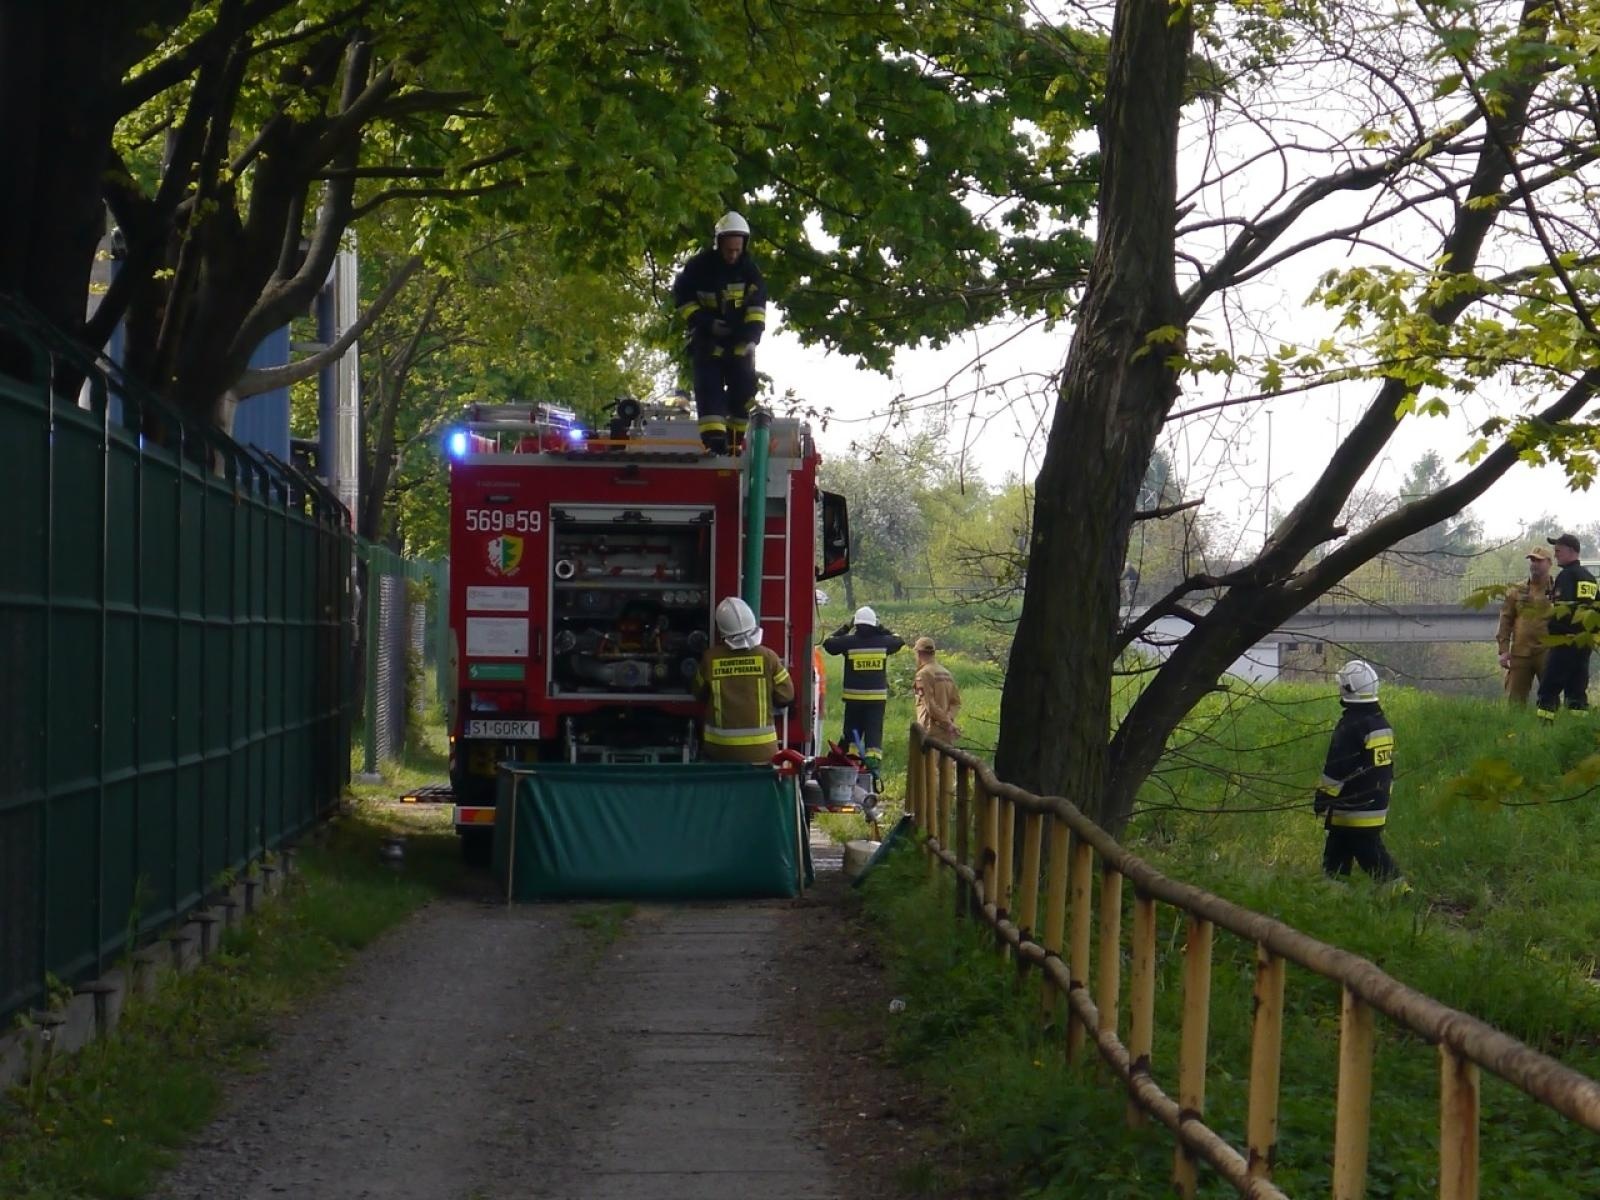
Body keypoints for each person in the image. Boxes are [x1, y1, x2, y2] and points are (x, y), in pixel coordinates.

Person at [671, 211, 768, 454]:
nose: (733, 255)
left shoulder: (750, 271)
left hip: (739, 340)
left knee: (744, 389)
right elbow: (683, 301)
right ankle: (714, 441)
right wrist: (705, 322)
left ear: (744, 246)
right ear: (718, 244)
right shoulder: (698, 268)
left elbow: (757, 308)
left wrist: (752, 339)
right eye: (728, 250)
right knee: (708, 388)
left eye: (737, 250)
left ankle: (735, 442)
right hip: (708, 339)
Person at [1314, 660, 1401, 882]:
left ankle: (1401, 894)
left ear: (1348, 688)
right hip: (1376, 804)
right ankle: (1333, 894)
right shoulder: (1381, 724)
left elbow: (1337, 768)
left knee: (1372, 857)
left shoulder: (1350, 727)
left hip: (1352, 808)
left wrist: (1323, 798)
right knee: (1336, 853)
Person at [693, 596, 794, 763]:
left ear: (721, 630)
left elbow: (698, 693)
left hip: (720, 752)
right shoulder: (768, 657)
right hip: (763, 753)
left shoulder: (710, 659)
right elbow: (786, 696)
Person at [821, 606, 905, 780]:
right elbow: (899, 639)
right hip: (877, 699)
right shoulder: (884, 642)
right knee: (874, 732)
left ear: (856, 625)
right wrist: (882, 628)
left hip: (854, 699)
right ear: (874, 624)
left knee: (853, 732)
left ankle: (853, 762)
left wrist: (845, 626)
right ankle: (873, 768)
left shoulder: (849, 642)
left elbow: (828, 642)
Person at [1535, 533, 1597, 720]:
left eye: (1558, 551)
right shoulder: (1590, 578)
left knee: (1549, 687)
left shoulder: (1566, 576)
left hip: (1565, 641)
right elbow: (1595, 609)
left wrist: (1553, 631)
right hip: (1584, 642)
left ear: (1571, 551)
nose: (1555, 556)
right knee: (1577, 688)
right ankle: (1577, 728)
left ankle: (1544, 727)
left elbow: (1564, 609)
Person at [1497, 546, 1554, 706]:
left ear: (1549, 563)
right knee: (1515, 700)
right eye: (1532, 560)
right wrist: (1503, 651)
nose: (1534, 564)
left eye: (1538, 560)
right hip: (1520, 652)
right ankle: (1513, 729)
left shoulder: (1557, 590)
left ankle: (1550, 728)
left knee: (1550, 697)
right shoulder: (1517, 591)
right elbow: (1505, 620)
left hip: (1547, 651)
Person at [912, 636, 962, 744]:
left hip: (929, 730)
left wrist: (947, 723)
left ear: (919, 653)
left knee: (928, 761)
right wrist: (948, 720)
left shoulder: (923, 674)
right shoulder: (946, 673)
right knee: (946, 760)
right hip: (946, 733)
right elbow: (956, 703)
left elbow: (930, 705)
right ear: (933, 652)